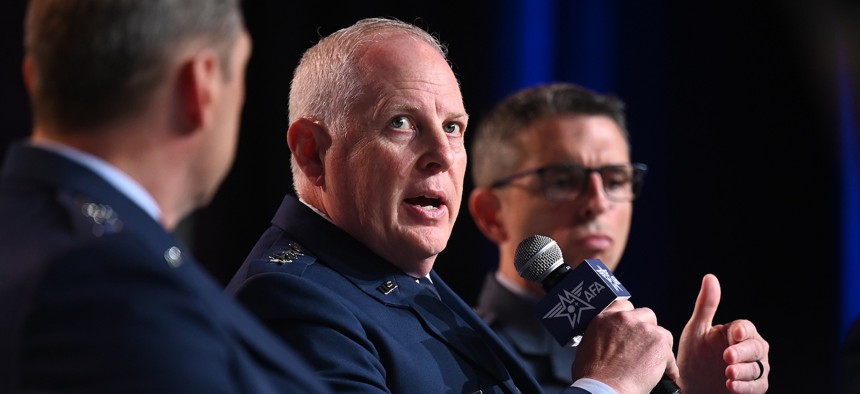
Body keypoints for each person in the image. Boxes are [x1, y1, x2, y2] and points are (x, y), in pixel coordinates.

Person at [227, 17, 681, 394]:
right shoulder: (289, 300)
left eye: (452, 127)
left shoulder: (405, 281)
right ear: (312, 152)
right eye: (401, 122)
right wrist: (608, 388)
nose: (442, 155)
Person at [0, 1, 331, 392]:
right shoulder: (104, 288)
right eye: (242, 70)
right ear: (202, 85)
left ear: (34, 76)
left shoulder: (39, 234)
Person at [468, 82, 771, 393]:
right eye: (563, 181)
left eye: (615, 180)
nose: (599, 202)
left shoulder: (652, 352)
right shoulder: (463, 358)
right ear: (492, 214)